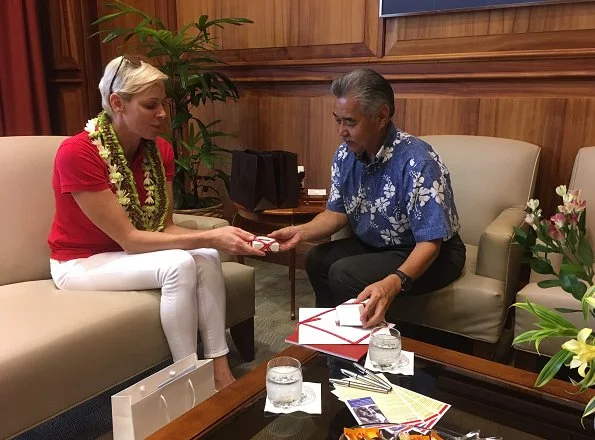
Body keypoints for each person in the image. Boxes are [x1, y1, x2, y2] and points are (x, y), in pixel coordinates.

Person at [48, 55, 265, 390]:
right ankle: (187, 379)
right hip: (78, 262)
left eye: (163, 103)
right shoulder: (78, 153)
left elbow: (163, 227)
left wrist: (220, 240)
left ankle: (220, 371)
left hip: (130, 254)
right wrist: (213, 236)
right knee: (180, 263)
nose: (163, 114)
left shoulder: (159, 150)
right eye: (151, 105)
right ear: (117, 103)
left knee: (206, 257)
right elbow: (131, 239)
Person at [269, 68, 466, 328]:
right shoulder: (345, 155)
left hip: (432, 253)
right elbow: (336, 213)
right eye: (337, 120)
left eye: (350, 122)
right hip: (378, 244)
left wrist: (393, 282)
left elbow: (431, 243)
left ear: (381, 116)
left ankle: (361, 354)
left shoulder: (418, 161)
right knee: (317, 259)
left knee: (343, 274)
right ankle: (330, 339)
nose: (341, 130)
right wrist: (300, 232)